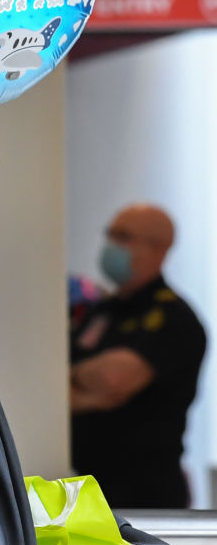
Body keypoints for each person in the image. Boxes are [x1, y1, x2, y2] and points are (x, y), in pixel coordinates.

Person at [70, 203, 206, 510]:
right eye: (111, 234)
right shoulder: (99, 311)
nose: (111, 245)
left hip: (147, 496)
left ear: (158, 247)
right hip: (89, 492)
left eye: (124, 237)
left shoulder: (173, 317)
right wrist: (79, 382)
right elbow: (57, 386)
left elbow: (112, 382)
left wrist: (71, 378)